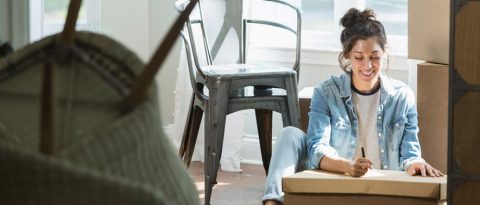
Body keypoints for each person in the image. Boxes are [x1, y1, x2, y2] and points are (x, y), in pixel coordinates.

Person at [263, 8, 443, 205]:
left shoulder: (403, 96)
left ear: (385, 53)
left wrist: (416, 164)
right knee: (290, 134)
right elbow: (316, 148)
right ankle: (272, 202)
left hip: (379, 186)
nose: (367, 66)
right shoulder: (326, 91)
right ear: (347, 55)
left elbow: (409, 154)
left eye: (375, 57)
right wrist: (347, 166)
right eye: (359, 57)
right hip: (337, 176)